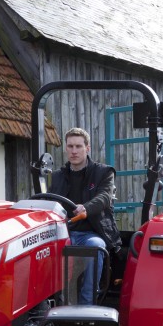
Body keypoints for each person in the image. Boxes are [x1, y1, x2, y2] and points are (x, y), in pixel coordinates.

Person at [49, 128, 121, 305]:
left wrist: (86, 208)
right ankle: (52, 303)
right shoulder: (58, 177)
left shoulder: (103, 173)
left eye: (78, 146)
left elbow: (104, 197)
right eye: (70, 146)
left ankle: (87, 304)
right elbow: (48, 201)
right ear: (66, 148)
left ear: (87, 148)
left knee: (95, 247)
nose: (74, 151)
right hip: (64, 233)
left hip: (91, 233)